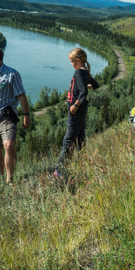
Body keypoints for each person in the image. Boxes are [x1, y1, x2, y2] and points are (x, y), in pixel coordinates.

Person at [0, 45, 31, 185]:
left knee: (8, 145)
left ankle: (10, 180)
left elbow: (21, 96)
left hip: (6, 116)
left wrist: (26, 115)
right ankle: (1, 180)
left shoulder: (11, 74)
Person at [53, 47, 99, 177]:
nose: (71, 64)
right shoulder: (86, 72)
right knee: (80, 136)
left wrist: (75, 105)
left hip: (76, 110)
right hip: (81, 109)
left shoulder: (79, 72)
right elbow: (96, 85)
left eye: (72, 61)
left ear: (78, 60)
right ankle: (82, 161)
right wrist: (82, 86)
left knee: (68, 139)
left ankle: (59, 171)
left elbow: (83, 92)